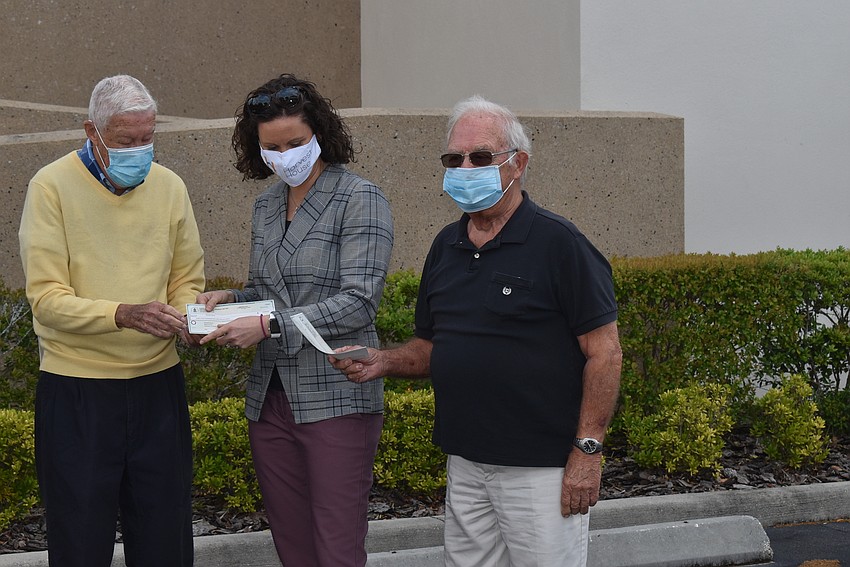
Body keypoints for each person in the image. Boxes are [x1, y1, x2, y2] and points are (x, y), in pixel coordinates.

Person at [330, 95, 622, 567]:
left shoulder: (560, 244)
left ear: (518, 163)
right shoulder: (446, 246)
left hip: (541, 470)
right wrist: (382, 360)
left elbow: (605, 354)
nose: (466, 168)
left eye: (481, 157)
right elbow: (432, 346)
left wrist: (587, 452)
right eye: (454, 159)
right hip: (466, 464)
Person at [194, 74, 394, 567]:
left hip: (336, 392)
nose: (284, 154)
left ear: (320, 133)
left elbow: (359, 301)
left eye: (295, 143)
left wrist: (268, 326)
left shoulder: (359, 197)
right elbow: (268, 293)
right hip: (271, 396)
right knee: (291, 542)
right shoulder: (265, 205)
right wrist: (232, 299)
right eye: (272, 147)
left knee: (336, 543)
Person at [18, 75, 204, 567]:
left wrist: (187, 316)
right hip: (76, 389)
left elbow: (188, 278)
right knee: (79, 540)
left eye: (148, 138)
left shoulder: (170, 187)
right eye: (126, 141)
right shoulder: (50, 186)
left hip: (158, 386)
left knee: (166, 539)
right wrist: (123, 314)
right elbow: (47, 300)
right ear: (91, 131)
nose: (140, 150)